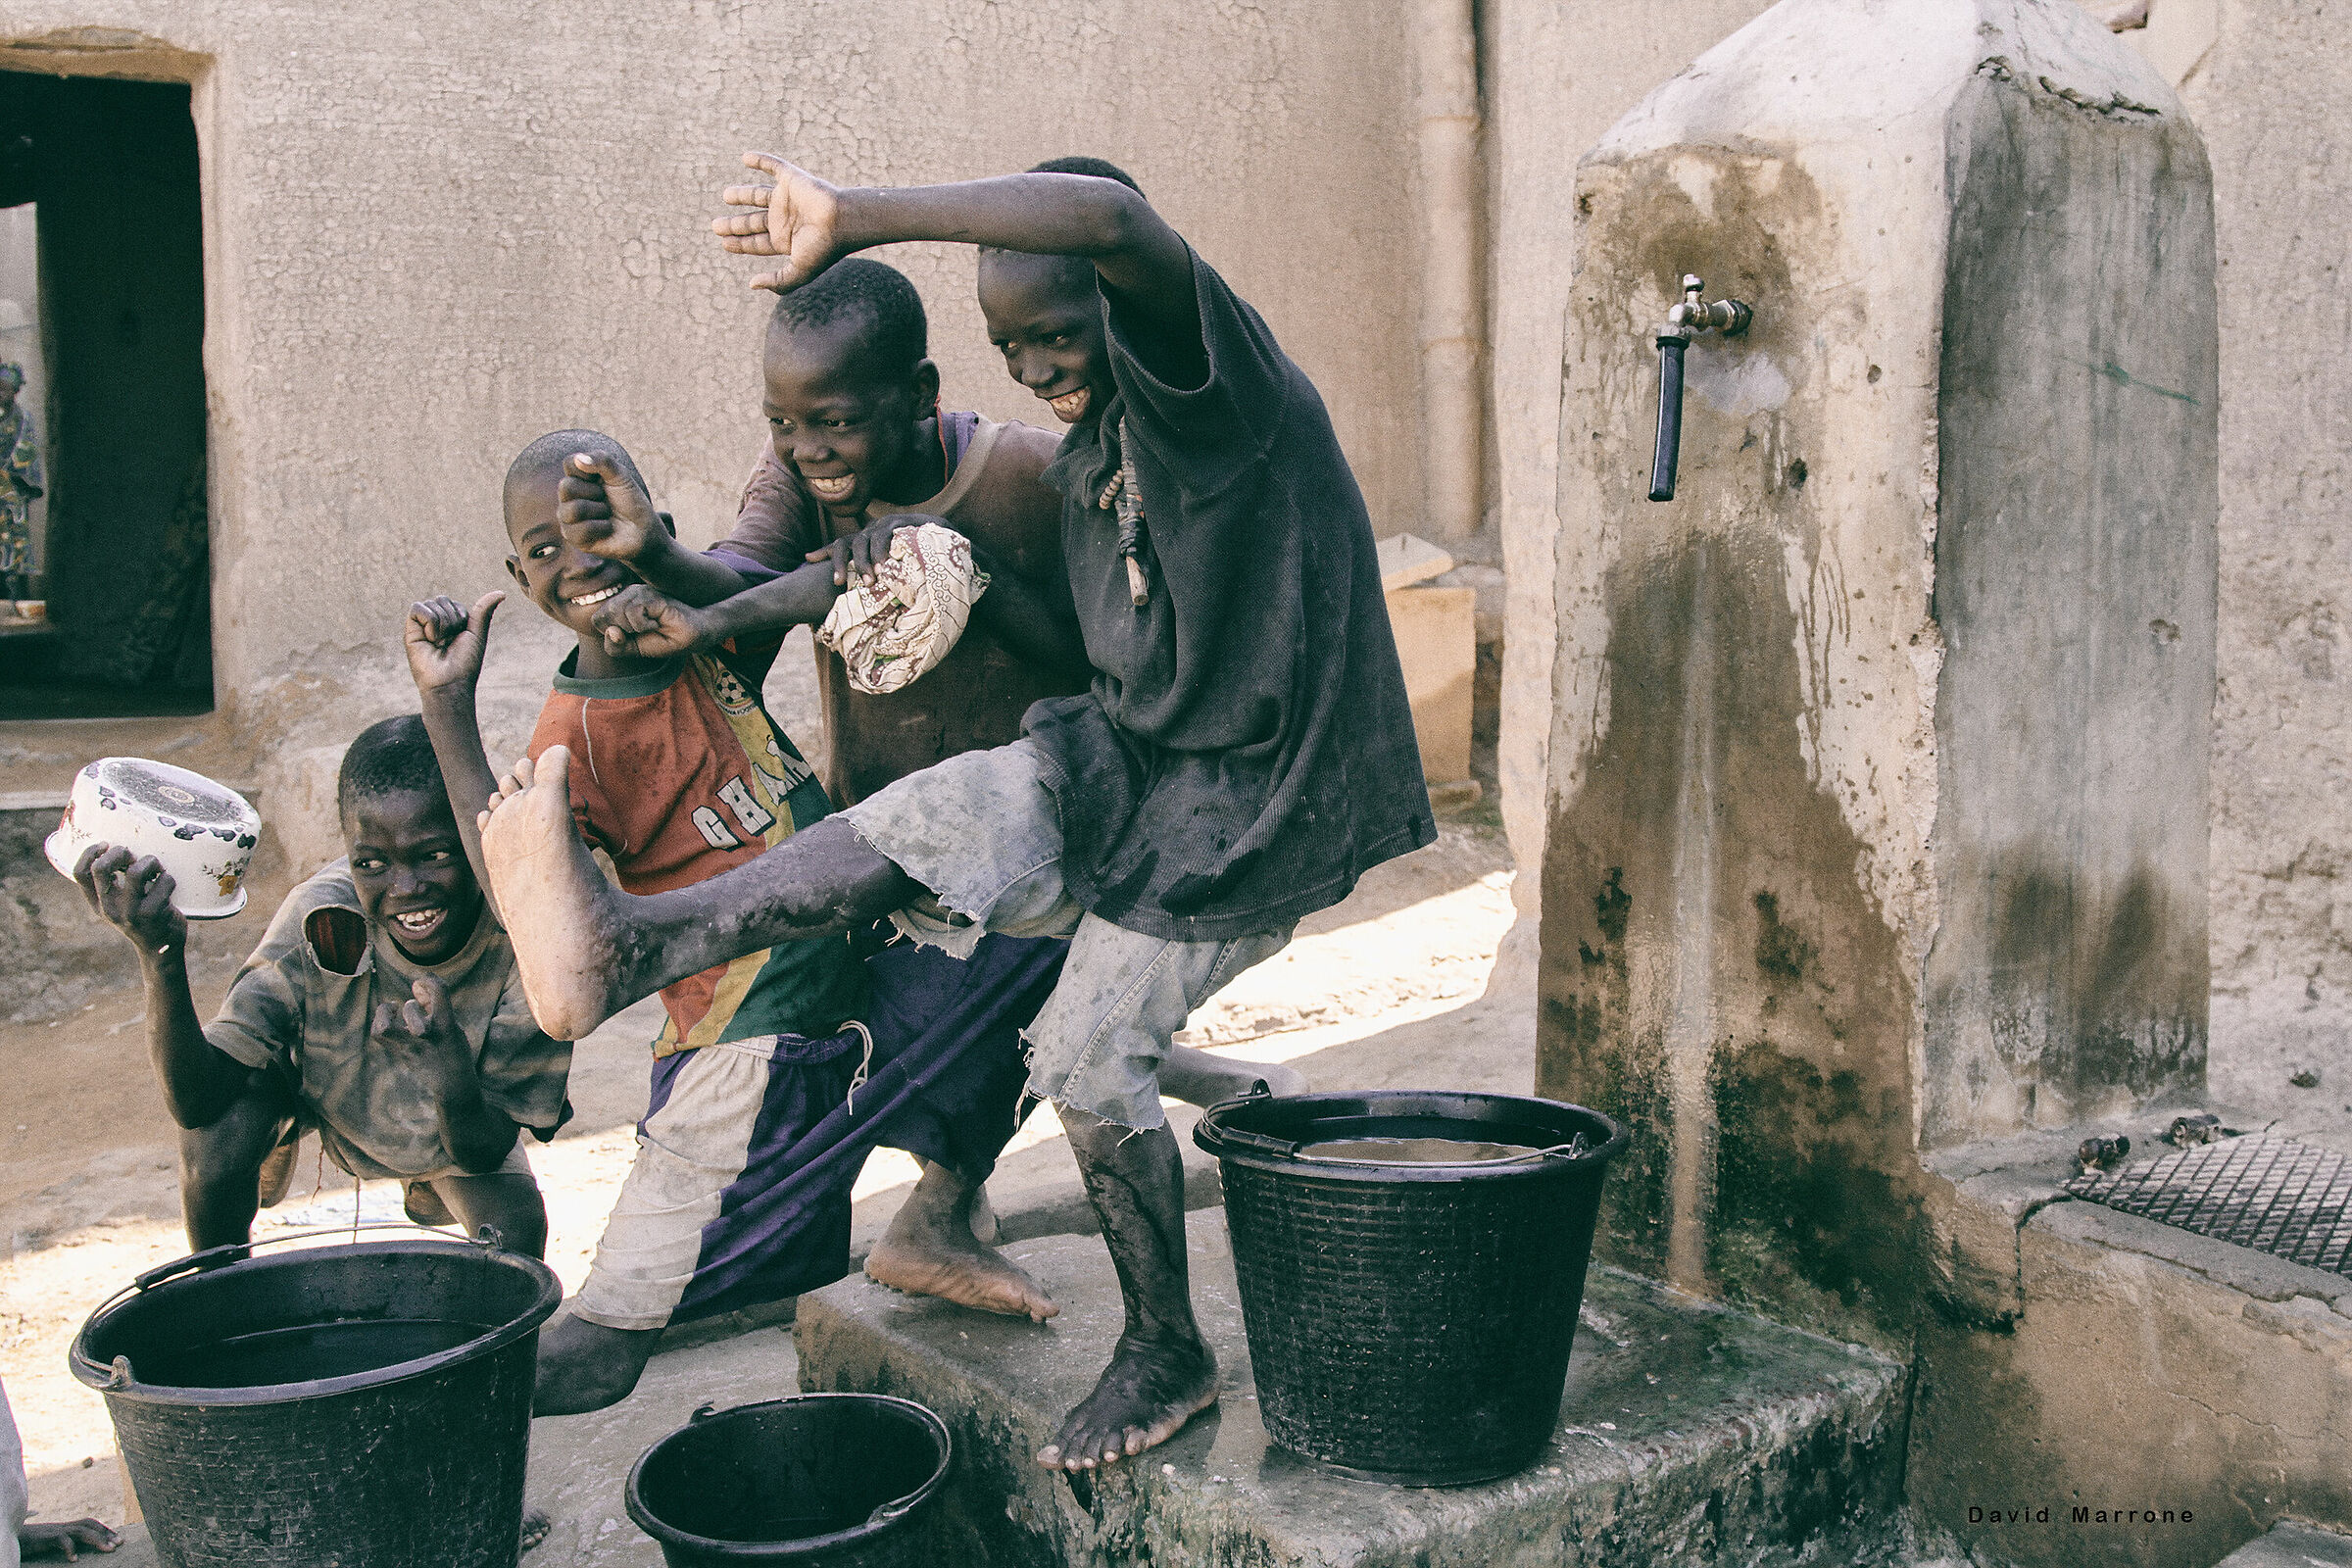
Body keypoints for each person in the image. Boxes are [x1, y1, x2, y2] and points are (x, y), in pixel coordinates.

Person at [474, 158, 1434, 1471]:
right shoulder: (1093, 467)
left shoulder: (1214, 395)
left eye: (1056, 332)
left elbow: (1106, 219)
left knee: (1089, 1050)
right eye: (1010, 344)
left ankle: (1164, 1350)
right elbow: (1076, 653)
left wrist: (856, 217)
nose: (1036, 365)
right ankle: (639, 941)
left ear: (1130, 306)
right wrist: (845, 591)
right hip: (1131, 753)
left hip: (1264, 795)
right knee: (941, 814)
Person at [587, 245, 1301, 1322]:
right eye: (784, 424)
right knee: (846, 1055)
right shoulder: (799, 482)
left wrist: (955, 563)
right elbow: (746, 584)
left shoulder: (1027, 474)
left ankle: (941, 1211)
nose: (810, 449)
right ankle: (877, 1222)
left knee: (1027, 1003)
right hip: (874, 842)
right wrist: (660, 559)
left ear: (919, 396)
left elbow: (1093, 658)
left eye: (834, 422)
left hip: (1030, 842)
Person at [410, 428, 949, 1413]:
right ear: (515, 577)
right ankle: (405, 1422)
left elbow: (786, 503)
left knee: (808, 1278)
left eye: (596, 536)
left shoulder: (706, 629)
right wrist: (448, 707)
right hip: (736, 1057)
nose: (575, 566)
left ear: (652, 532)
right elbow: (524, 908)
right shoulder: (573, 736)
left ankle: (820, 1458)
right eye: (542, 552)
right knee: (602, 1344)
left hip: (841, 1021)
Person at [73, 717, 569, 1256]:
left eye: (435, 855)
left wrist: (447, 1066)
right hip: (323, 1089)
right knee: (213, 1144)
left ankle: (437, 1206)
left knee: (517, 1231)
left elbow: (484, 1150)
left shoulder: (525, 934)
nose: (405, 888)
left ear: (476, 841)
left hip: (462, 1121)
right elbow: (199, 1103)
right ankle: (221, 1299)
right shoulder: (323, 915)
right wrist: (159, 955)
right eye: (371, 863)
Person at [0, 361, 41, 607]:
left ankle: (14, 599)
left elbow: (27, 452)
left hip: (12, 496)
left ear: (15, 391)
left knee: (14, 552)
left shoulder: (24, 419)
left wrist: (9, 475)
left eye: (5, 388)